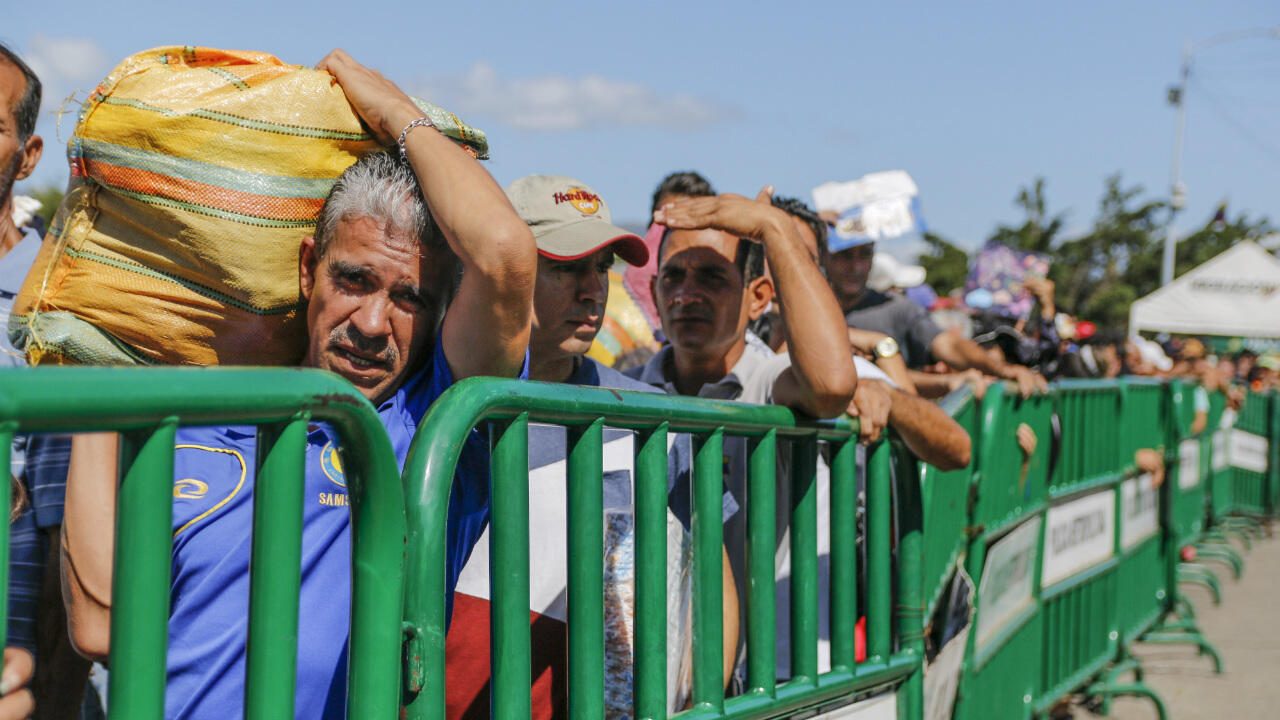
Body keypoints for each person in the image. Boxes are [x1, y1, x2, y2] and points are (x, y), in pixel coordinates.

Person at [60, 50, 537, 719]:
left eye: (411, 299)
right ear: (309, 267)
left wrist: (396, 112)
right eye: (354, 280)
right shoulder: (188, 415)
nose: (373, 323)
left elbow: (505, 254)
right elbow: (98, 625)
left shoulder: (432, 427)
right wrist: (100, 367)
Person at [446, 174, 737, 717]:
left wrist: (704, 697)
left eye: (602, 267)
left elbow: (710, 570)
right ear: (505, 266)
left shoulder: (652, 415)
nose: (593, 288)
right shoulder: (433, 395)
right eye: (565, 266)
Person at [630, 188, 857, 686]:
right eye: (673, 276)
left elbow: (832, 383)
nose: (687, 294)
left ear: (758, 297)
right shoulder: (628, 391)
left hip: (755, 683)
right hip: (649, 674)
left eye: (711, 277)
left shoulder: (767, 382)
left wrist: (772, 227)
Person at [825, 231, 1046, 398]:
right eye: (845, 256)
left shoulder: (897, 308)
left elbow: (948, 345)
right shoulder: (805, 311)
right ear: (826, 256)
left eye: (864, 255)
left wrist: (1002, 369)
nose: (855, 266)